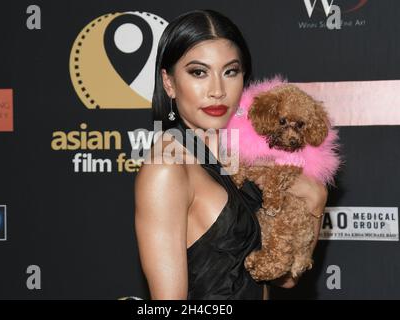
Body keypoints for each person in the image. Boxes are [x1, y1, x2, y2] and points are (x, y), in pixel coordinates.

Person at [134, 9, 327, 300]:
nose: (217, 90)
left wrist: (316, 201)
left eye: (230, 72)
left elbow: (284, 280)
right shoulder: (167, 169)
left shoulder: (246, 157)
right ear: (169, 82)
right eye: (199, 72)